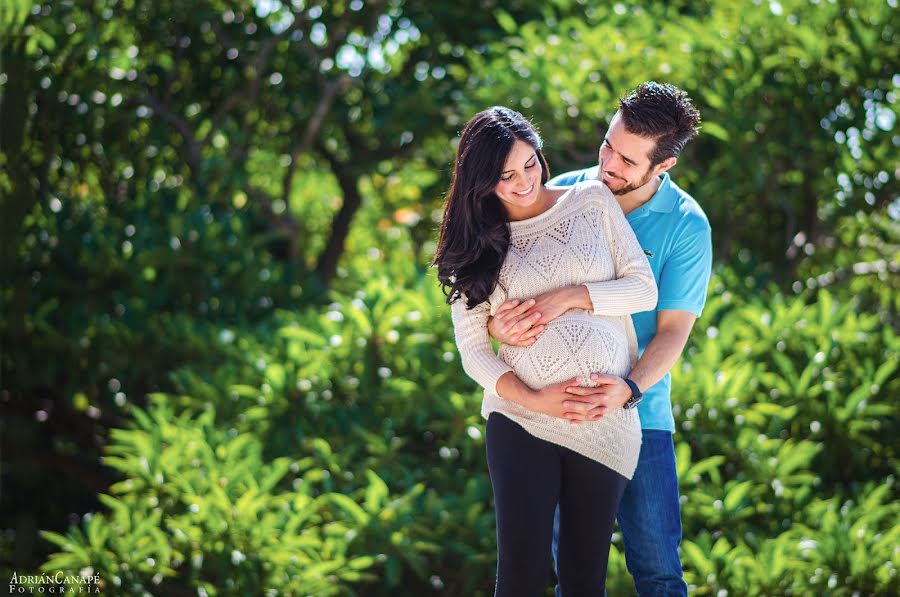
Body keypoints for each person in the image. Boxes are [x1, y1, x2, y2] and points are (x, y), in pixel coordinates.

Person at [488, 82, 711, 596]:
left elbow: (674, 330)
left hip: (642, 416)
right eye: (609, 145)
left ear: (663, 167)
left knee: (657, 570)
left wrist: (629, 389)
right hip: (561, 416)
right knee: (575, 576)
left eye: (628, 161)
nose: (608, 163)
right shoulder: (561, 191)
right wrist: (499, 326)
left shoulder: (686, 226)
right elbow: (499, 292)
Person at [433, 105, 657, 596]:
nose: (522, 182)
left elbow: (644, 290)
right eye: (505, 175)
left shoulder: (592, 202)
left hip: (601, 419)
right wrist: (535, 400)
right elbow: (474, 351)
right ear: (480, 181)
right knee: (521, 576)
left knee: (583, 580)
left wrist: (572, 296)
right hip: (520, 421)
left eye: (529, 164)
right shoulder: (475, 246)